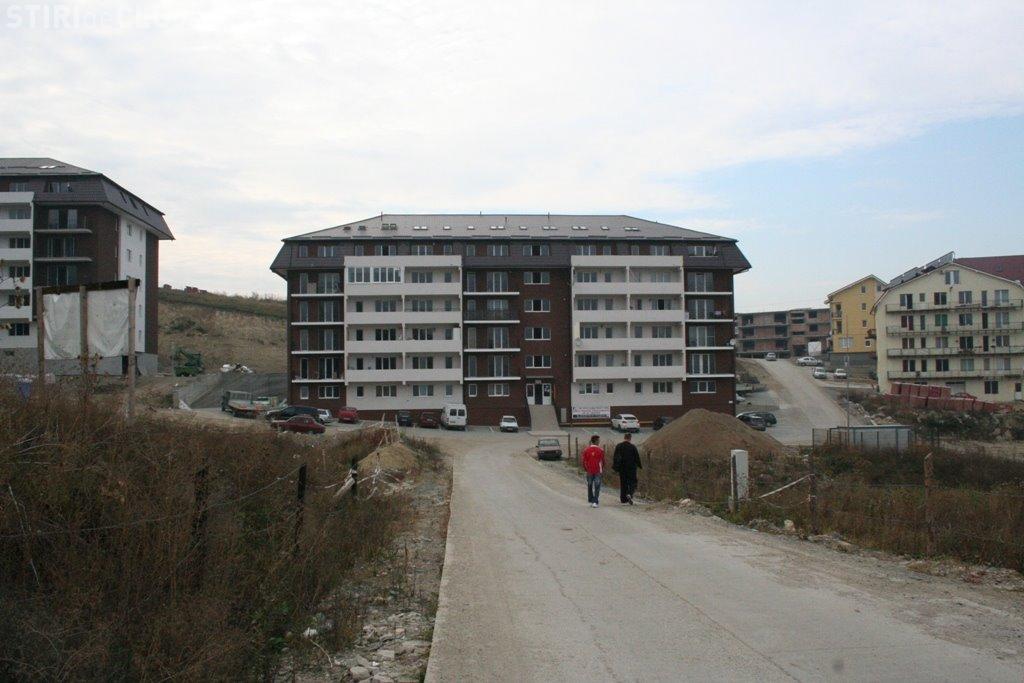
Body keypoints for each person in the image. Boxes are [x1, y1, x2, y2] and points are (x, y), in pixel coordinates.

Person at [612, 432, 642, 505]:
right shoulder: (632, 447)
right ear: (630, 438)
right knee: (633, 482)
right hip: (631, 468)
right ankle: (629, 493)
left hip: (622, 468)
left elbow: (615, 457)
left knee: (623, 483)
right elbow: (637, 457)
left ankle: (623, 499)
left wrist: (615, 467)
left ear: (624, 437)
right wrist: (639, 465)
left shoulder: (619, 446)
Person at [581, 435, 605, 508]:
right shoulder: (600, 450)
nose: (599, 441)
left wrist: (586, 469)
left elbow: (584, 461)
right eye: (598, 440)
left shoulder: (586, 450)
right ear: (596, 441)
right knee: (597, 486)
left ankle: (591, 499)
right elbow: (603, 461)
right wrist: (602, 469)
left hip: (589, 470)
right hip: (597, 470)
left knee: (590, 485)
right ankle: (595, 501)